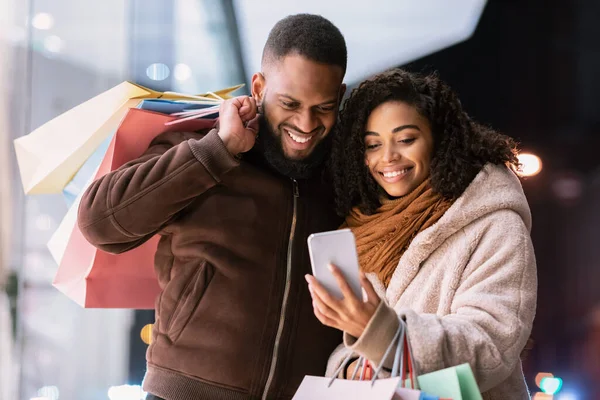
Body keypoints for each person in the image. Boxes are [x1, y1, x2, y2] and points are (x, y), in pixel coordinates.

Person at [78, 14, 347, 400]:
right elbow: (98, 223)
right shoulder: (203, 150)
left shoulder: (344, 177)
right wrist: (218, 151)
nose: (306, 124)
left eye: (323, 107)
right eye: (290, 103)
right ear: (259, 86)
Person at [305, 69, 537, 399]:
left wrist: (383, 332)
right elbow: (356, 349)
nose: (387, 158)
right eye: (373, 144)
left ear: (438, 140)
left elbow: (493, 344)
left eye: (406, 139)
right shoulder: (363, 228)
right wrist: (351, 364)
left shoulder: (494, 223)